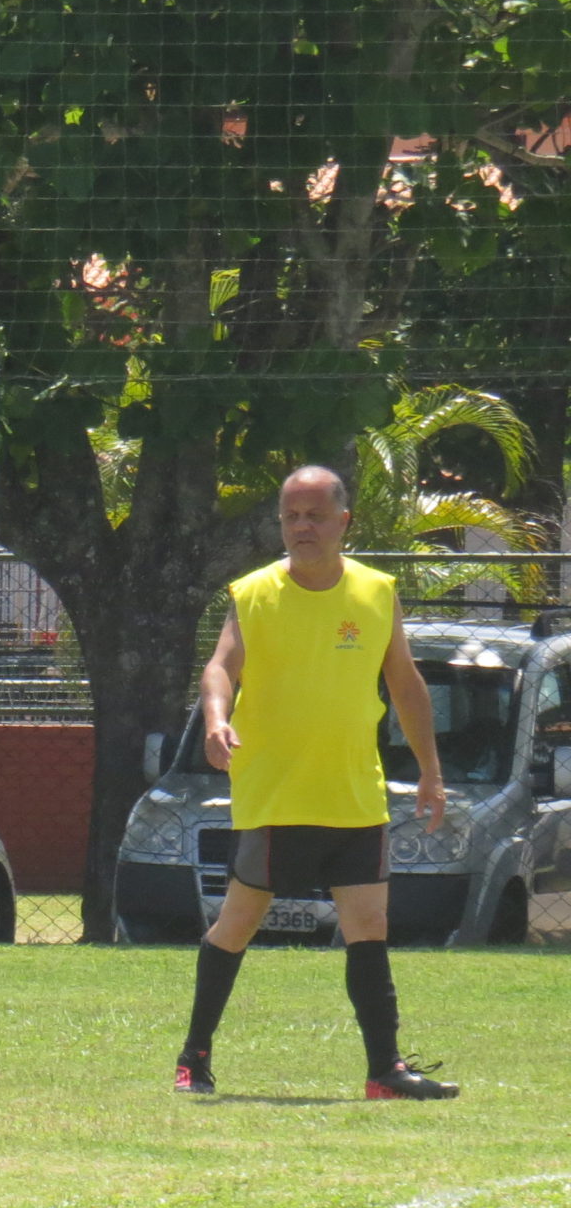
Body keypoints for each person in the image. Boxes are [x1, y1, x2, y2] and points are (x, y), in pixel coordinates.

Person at [175, 464, 453, 1100]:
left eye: (315, 516)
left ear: (343, 522)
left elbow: (406, 684)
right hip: (277, 793)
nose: (302, 527)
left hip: (354, 792)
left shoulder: (377, 592)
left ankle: (385, 1072)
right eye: (291, 517)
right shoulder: (254, 593)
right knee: (238, 923)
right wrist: (216, 719)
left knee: (369, 925)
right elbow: (220, 668)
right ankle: (194, 1057)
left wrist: (431, 772)